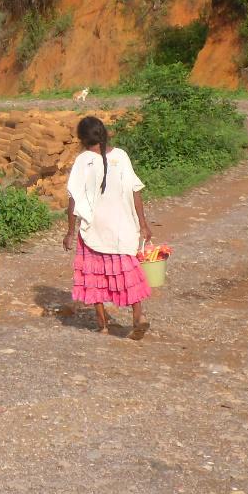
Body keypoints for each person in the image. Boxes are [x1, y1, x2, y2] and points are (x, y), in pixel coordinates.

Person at [63, 116, 154, 339]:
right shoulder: (121, 155)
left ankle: (103, 325)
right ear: (104, 133)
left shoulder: (83, 160)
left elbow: (74, 198)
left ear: (83, 139)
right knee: (127, 271)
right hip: (121, 226)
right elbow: (135, 190)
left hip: (94, 228)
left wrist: (70, 231)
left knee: (93, 275)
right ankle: (138, 316)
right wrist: (143, 224)